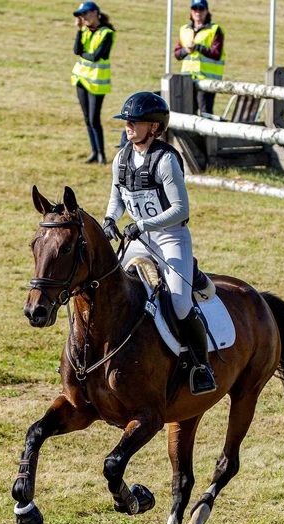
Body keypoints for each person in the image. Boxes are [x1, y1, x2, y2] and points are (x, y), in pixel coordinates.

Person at [102, 92, 216, 395]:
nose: (128, 125)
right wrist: (110, 219)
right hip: (138, 238)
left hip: (170, 238)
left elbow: (181, 210)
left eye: (135, 121)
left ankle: (201, 365)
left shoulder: (165, 160)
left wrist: (143, 225)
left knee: (179, 303)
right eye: (126, 120)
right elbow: (117, 199)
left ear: (154, 127)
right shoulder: (122, 157)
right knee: (111, 289)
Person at [71, 1, 115, 164]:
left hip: (97, 82)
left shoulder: (107, 33)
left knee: (94, 119)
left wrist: (83, 53)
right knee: (87, 118)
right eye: (82, 15)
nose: (84, 17)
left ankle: (101, 153)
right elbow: (76, 50)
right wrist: (79, 31)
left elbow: (98, 56)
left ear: (96, 13)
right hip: (81, 79)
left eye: (87, 13)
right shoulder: (84, 31)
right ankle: (94, 152)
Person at [173, 0, 225, 117]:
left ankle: (207, 136)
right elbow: (177, 54)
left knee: (205, 114)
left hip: (206, 81)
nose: (197, 12)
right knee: (188, 114)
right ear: (191, 11)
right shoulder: (184, 30)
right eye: (195, 9)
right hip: (187, 79)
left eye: (201, 9)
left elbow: (216, 53)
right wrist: (186, 50)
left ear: (206, 11)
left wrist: (197, 47)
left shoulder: (214, 30)